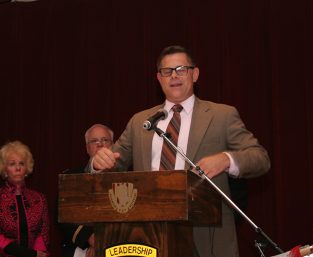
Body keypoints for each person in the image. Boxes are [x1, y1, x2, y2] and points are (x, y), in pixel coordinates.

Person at [92, 45, 271, 257]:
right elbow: (113, 161)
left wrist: (225, 159)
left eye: (181, 69)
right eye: (167, 71)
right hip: (149, 236)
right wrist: (99, 162)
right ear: (159, 78)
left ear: (195, 74)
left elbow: (260, 158)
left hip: (208, 236)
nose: (174, 76)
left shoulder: (222, 115)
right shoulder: (141, 121)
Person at [61, 124, 114, 257]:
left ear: (113, 145)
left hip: (116, 243)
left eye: (104, 140)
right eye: (94, 141)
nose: (100, 144)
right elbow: (64, 216)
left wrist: (103, 242)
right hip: (80, 247)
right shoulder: (71, 178)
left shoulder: (127, 177)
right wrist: (90, 238)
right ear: (87, 148)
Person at [0, 141, 50, 257]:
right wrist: (28, 254)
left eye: (21, 163)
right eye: (12, 164)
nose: (18, 168)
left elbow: (43, 234)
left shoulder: (39, 199)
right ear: (5, 170)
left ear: (26, 168)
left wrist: (37, 254)